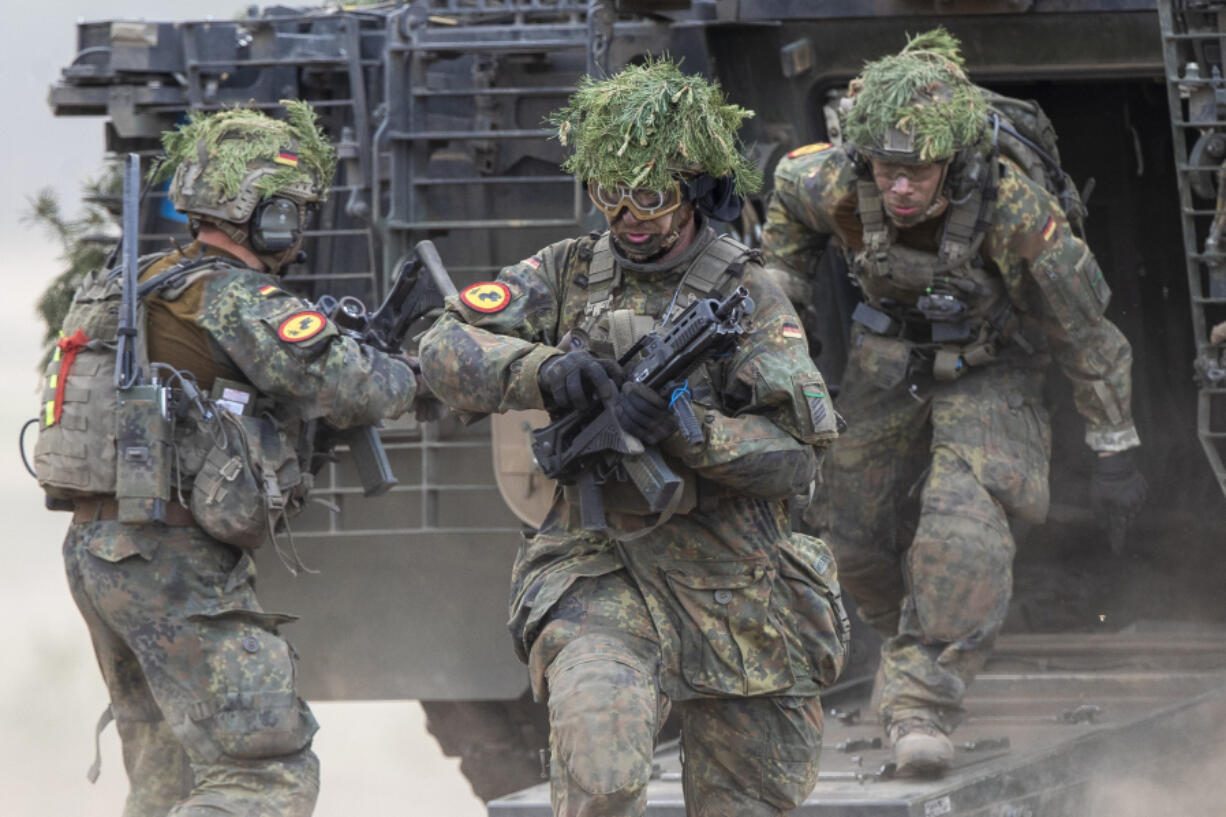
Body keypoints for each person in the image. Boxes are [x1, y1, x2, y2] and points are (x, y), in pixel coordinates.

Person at [419, 60, 848, 816]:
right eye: (608, 195)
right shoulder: (566, 271)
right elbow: (443, 350)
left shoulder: (748, 296)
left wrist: (691, 431)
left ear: (691, 190)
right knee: (602, 772)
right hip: (599, 567)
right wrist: (545, 372)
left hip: (734, 581)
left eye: (649, 195)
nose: (629, 216)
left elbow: (795, 456)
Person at [761, 29, 1147, 776]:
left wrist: (1115, 443)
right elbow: (784, 221)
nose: (902, 187)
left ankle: (921, 704)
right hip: (888, 360)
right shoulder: (832, 181)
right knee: (844, 533)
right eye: (888, 169)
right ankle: (926, 636)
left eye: (920, 171)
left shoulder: (1013, 208)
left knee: (961, 526)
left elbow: (1085, 328)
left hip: (994, 367)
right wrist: (784, 307)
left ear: (951, 160)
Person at [33, 103, 421, 816]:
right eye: (292, 213)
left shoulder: (135, 281)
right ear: (265, 216)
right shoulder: (237, 296)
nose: (297, 234)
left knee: (168, 780)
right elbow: (356, 387)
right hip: (171, 560)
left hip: (100, 551)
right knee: (261, 772)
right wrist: (417, 366)